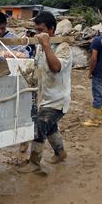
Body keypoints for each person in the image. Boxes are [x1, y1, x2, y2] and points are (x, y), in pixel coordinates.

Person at [18, 12, 72, 174]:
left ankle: (34, 163)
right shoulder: (41, 47)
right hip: (44, 97)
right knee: (50, 127)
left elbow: (56, 68)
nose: (38, 34)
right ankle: (60, 153)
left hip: (57, 99)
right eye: (36, 30)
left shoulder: (63, 47)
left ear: (51, 29)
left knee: (39, 128)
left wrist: (47, 45)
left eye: (41, 30)